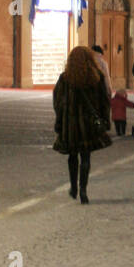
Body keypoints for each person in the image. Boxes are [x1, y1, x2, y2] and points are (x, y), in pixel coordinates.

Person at [53, 45, 111, 203]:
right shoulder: (96, 77)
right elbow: (104, 101)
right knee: (86, 157)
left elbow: (57, 101)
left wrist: (59, 121)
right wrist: (105, 120)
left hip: (70, 124)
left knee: (72, 156)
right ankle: (84, 190)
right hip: (88, 125)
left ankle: (73, 187)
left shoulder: (65, 78)